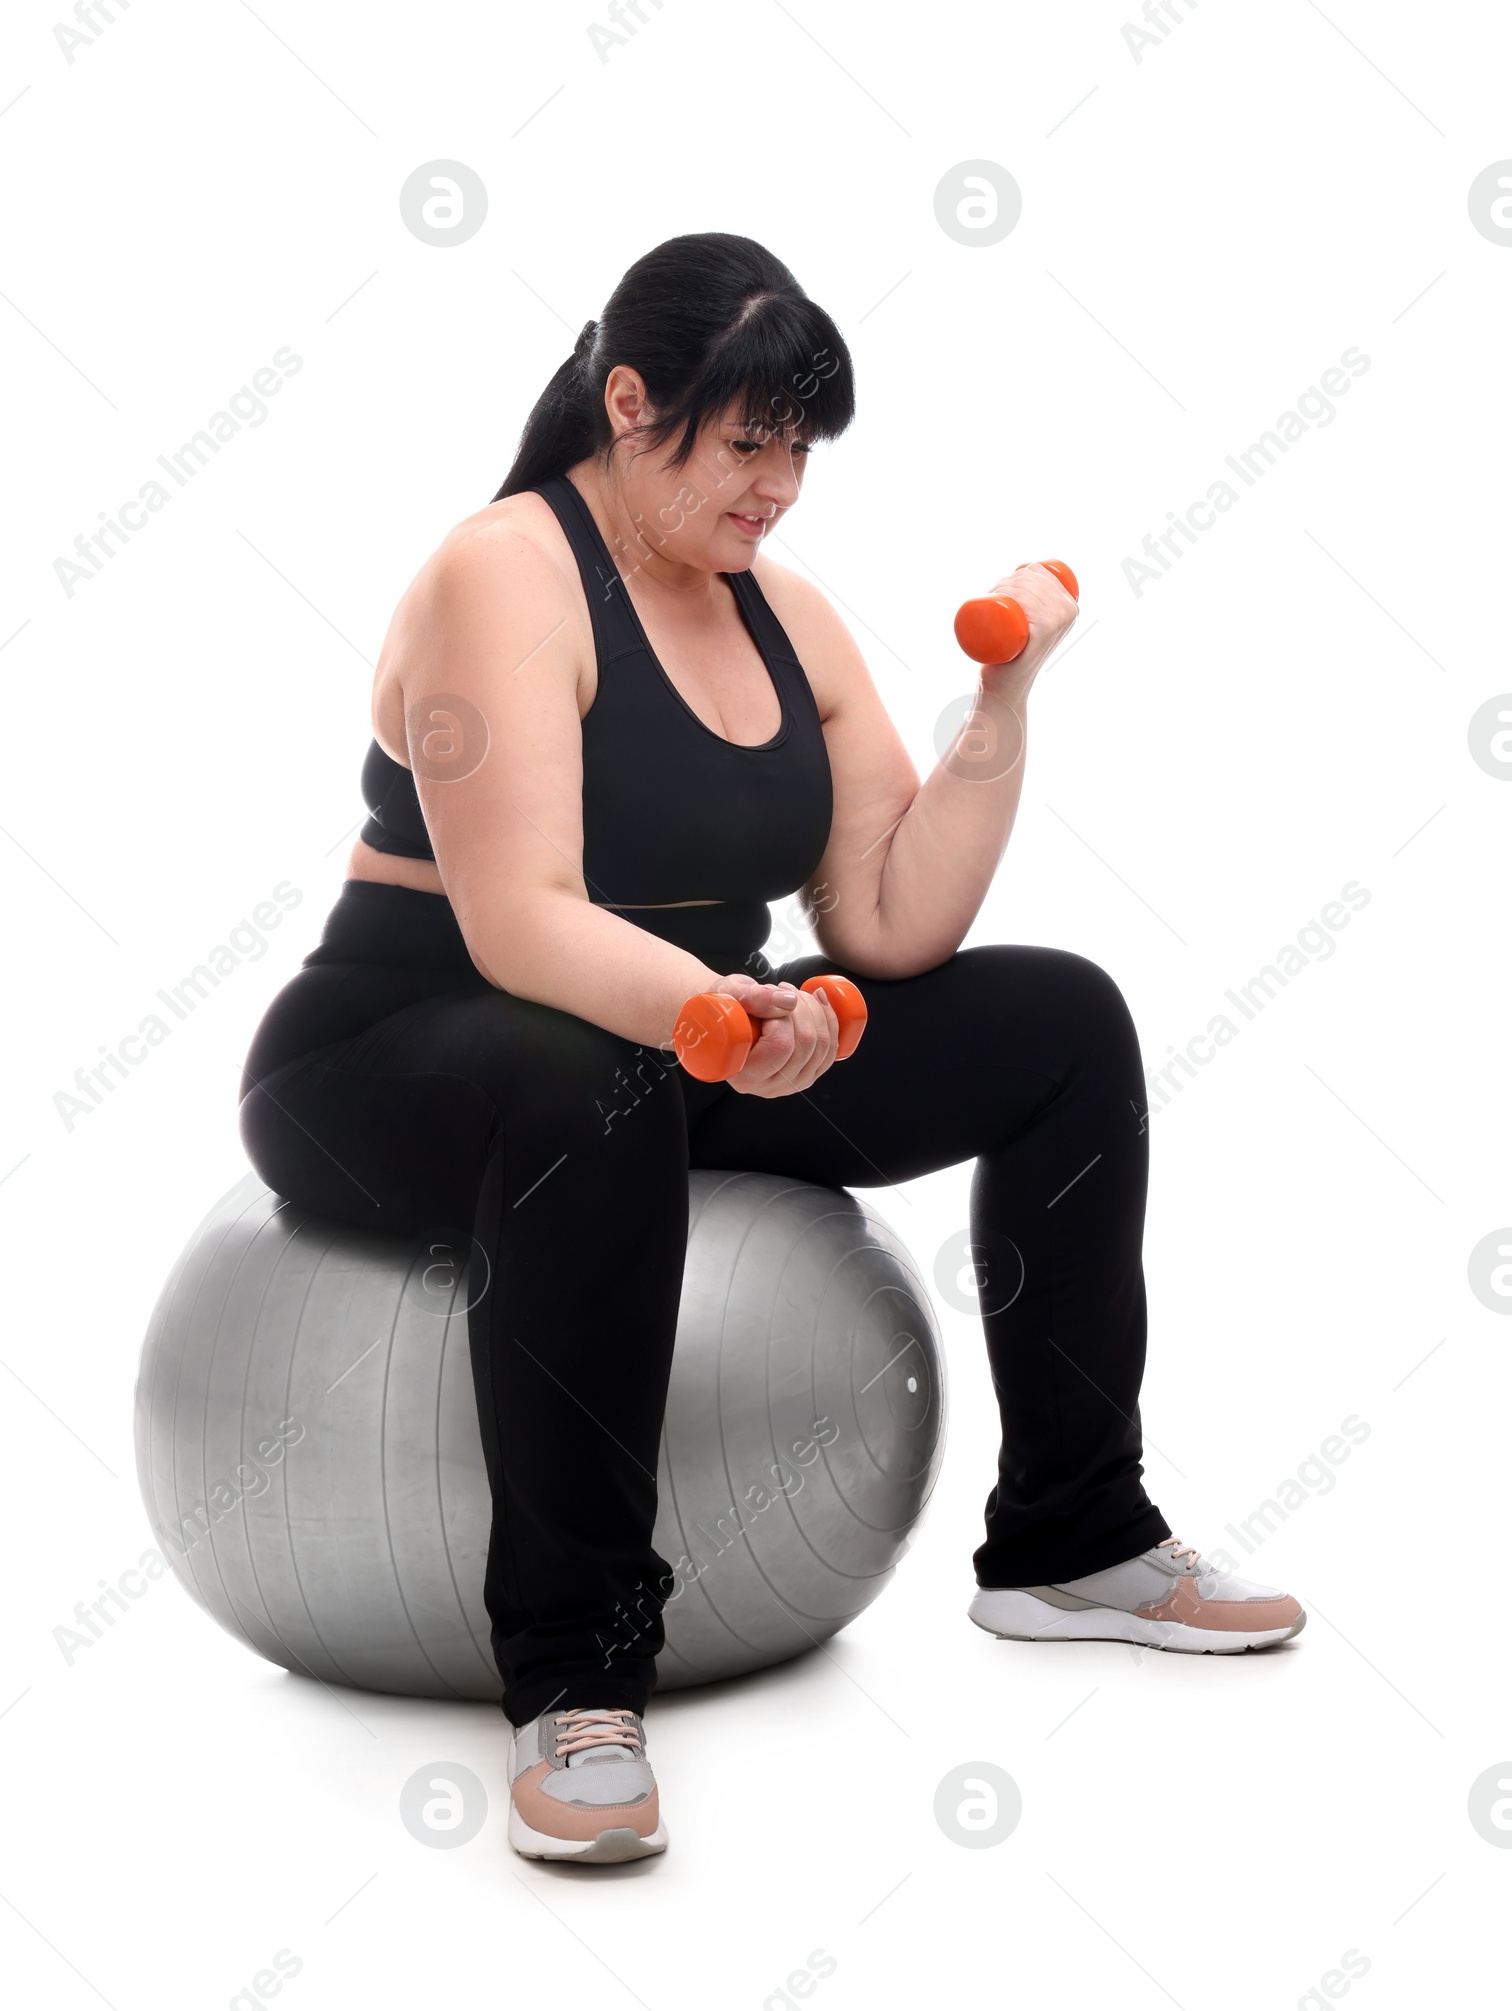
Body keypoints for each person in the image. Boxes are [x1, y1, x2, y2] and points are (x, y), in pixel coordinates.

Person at [239, 231, 1304, 1867]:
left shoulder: (785, 618)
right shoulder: (501, 576)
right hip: (400, 1045)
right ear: (628, 400)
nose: (782, 484)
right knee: (582, 1086)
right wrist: (723, 1019)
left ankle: (1072, 1538)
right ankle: (576, 1679)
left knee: (1060, 1018)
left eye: (802, 447)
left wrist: (999, 713)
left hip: (675, 1043)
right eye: (750, 440)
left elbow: (885, 921)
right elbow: (520, 921)